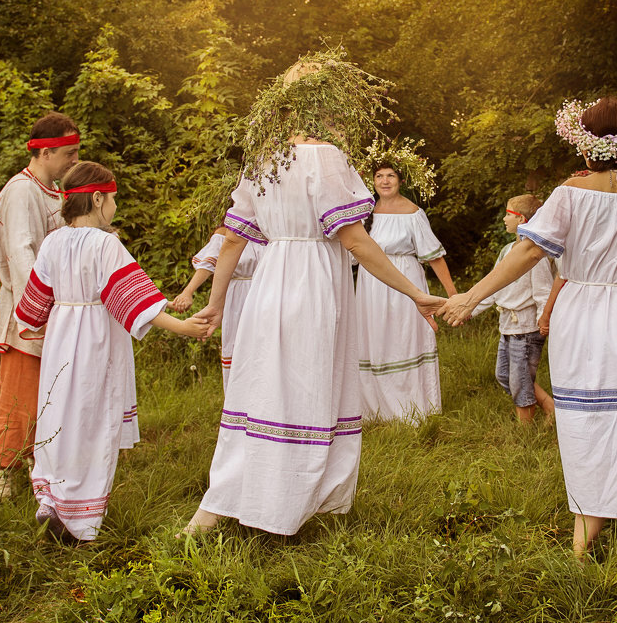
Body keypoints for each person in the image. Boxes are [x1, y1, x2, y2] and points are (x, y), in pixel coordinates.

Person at [181, 55, 445, 537]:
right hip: (313, 285)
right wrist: (413, 293)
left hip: (269, 285)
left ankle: (233, 502)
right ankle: (289, 505)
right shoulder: (325, 157)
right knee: (306, 388)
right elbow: (356, 241)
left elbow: (234, 238)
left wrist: (217, 303)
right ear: (326, 101)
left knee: (262, 388)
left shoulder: (265, 157)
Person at [441, 97, 617, 558]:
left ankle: (587, 527)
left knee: (584, 417)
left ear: (586, 146)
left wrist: (471, 296)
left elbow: (527, 253)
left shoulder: (570, 193)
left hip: (582, 310)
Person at [14, 161, 207, 542]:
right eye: (114, 199)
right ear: (98, 198)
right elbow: (134, 301)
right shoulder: (106, 244)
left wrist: (43, 322)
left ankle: (50, 499)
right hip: (94, 342)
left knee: (59, 416)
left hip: (61, 337)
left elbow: (34, 305)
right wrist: (183, 326)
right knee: (92, 420)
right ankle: (80, 523)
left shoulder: (54, 241)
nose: (116, 207)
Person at [0, 112, 80, 497]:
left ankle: (31, 464)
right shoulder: (21, 191)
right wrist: (34, 312)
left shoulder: (52, 191)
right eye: (69, 153)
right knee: (20, 396)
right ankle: (0, 469)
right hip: (28, 312)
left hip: (52, 310)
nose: (74, 160)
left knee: (47, 395)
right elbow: (21, 255)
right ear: (45, 153)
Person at [356, 161, 456, 422]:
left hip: (405, 281)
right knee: (374, 338)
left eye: (391, 176)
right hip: (371, 285)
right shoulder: (365, 211)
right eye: (379, 176)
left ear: (401, 181)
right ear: (373, 181)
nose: (385, 181)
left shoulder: (413, 213)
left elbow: (434, 256)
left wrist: (453, 295)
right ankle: (373, 410)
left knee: (403, 337)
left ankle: (411, 407)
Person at [470, 194, 555, 424]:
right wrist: (468, 310)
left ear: (523, 219)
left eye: (509, 214)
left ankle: (525, 432)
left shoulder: (534, 255)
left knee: (520, 380)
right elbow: (494, 287)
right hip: (507, 327)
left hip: (526, 329)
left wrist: (543, 320)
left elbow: (543, 293)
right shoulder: (508, 251)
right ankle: (550, 406)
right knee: (505, 375)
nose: (505, 218)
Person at [168, 225, 264, 386]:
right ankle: (238, 401)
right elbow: (208, 265)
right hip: (238, 296)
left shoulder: (271, 230)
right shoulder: (226, 233)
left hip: (266, 292)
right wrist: (187, 292)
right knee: (239, 345)